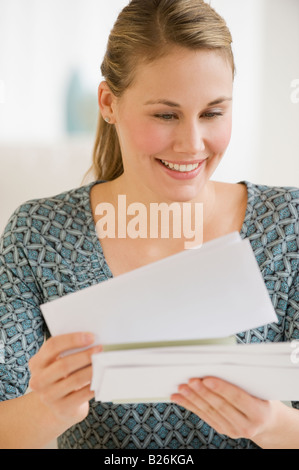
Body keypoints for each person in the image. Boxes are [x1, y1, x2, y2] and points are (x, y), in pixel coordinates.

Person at [0, 0, 298, 450]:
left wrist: (270, 423)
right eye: (165, 114)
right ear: (108, 103)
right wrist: (48, 408)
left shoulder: (287, 227)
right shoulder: (39, 235)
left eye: (213, 113)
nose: (192, 144)